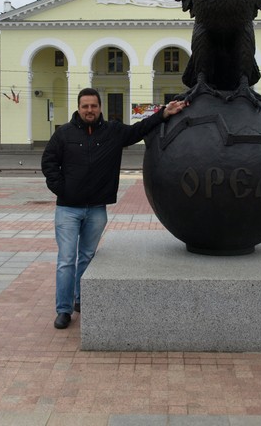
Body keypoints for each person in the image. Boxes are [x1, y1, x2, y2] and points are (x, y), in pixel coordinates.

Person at [41, 88, 187, 329]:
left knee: (87, 257)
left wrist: (164, 113)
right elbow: (48, 162)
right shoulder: (64, 134)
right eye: (85, 106)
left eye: (94, 106)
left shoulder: (113, 132)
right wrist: (62, 190)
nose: (90, 110)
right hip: (68, 209)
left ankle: (80, 298)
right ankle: (64, 310)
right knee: (67, 259)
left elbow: (140, 129)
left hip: (97, 209)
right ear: (78, 107)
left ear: (100, 108)